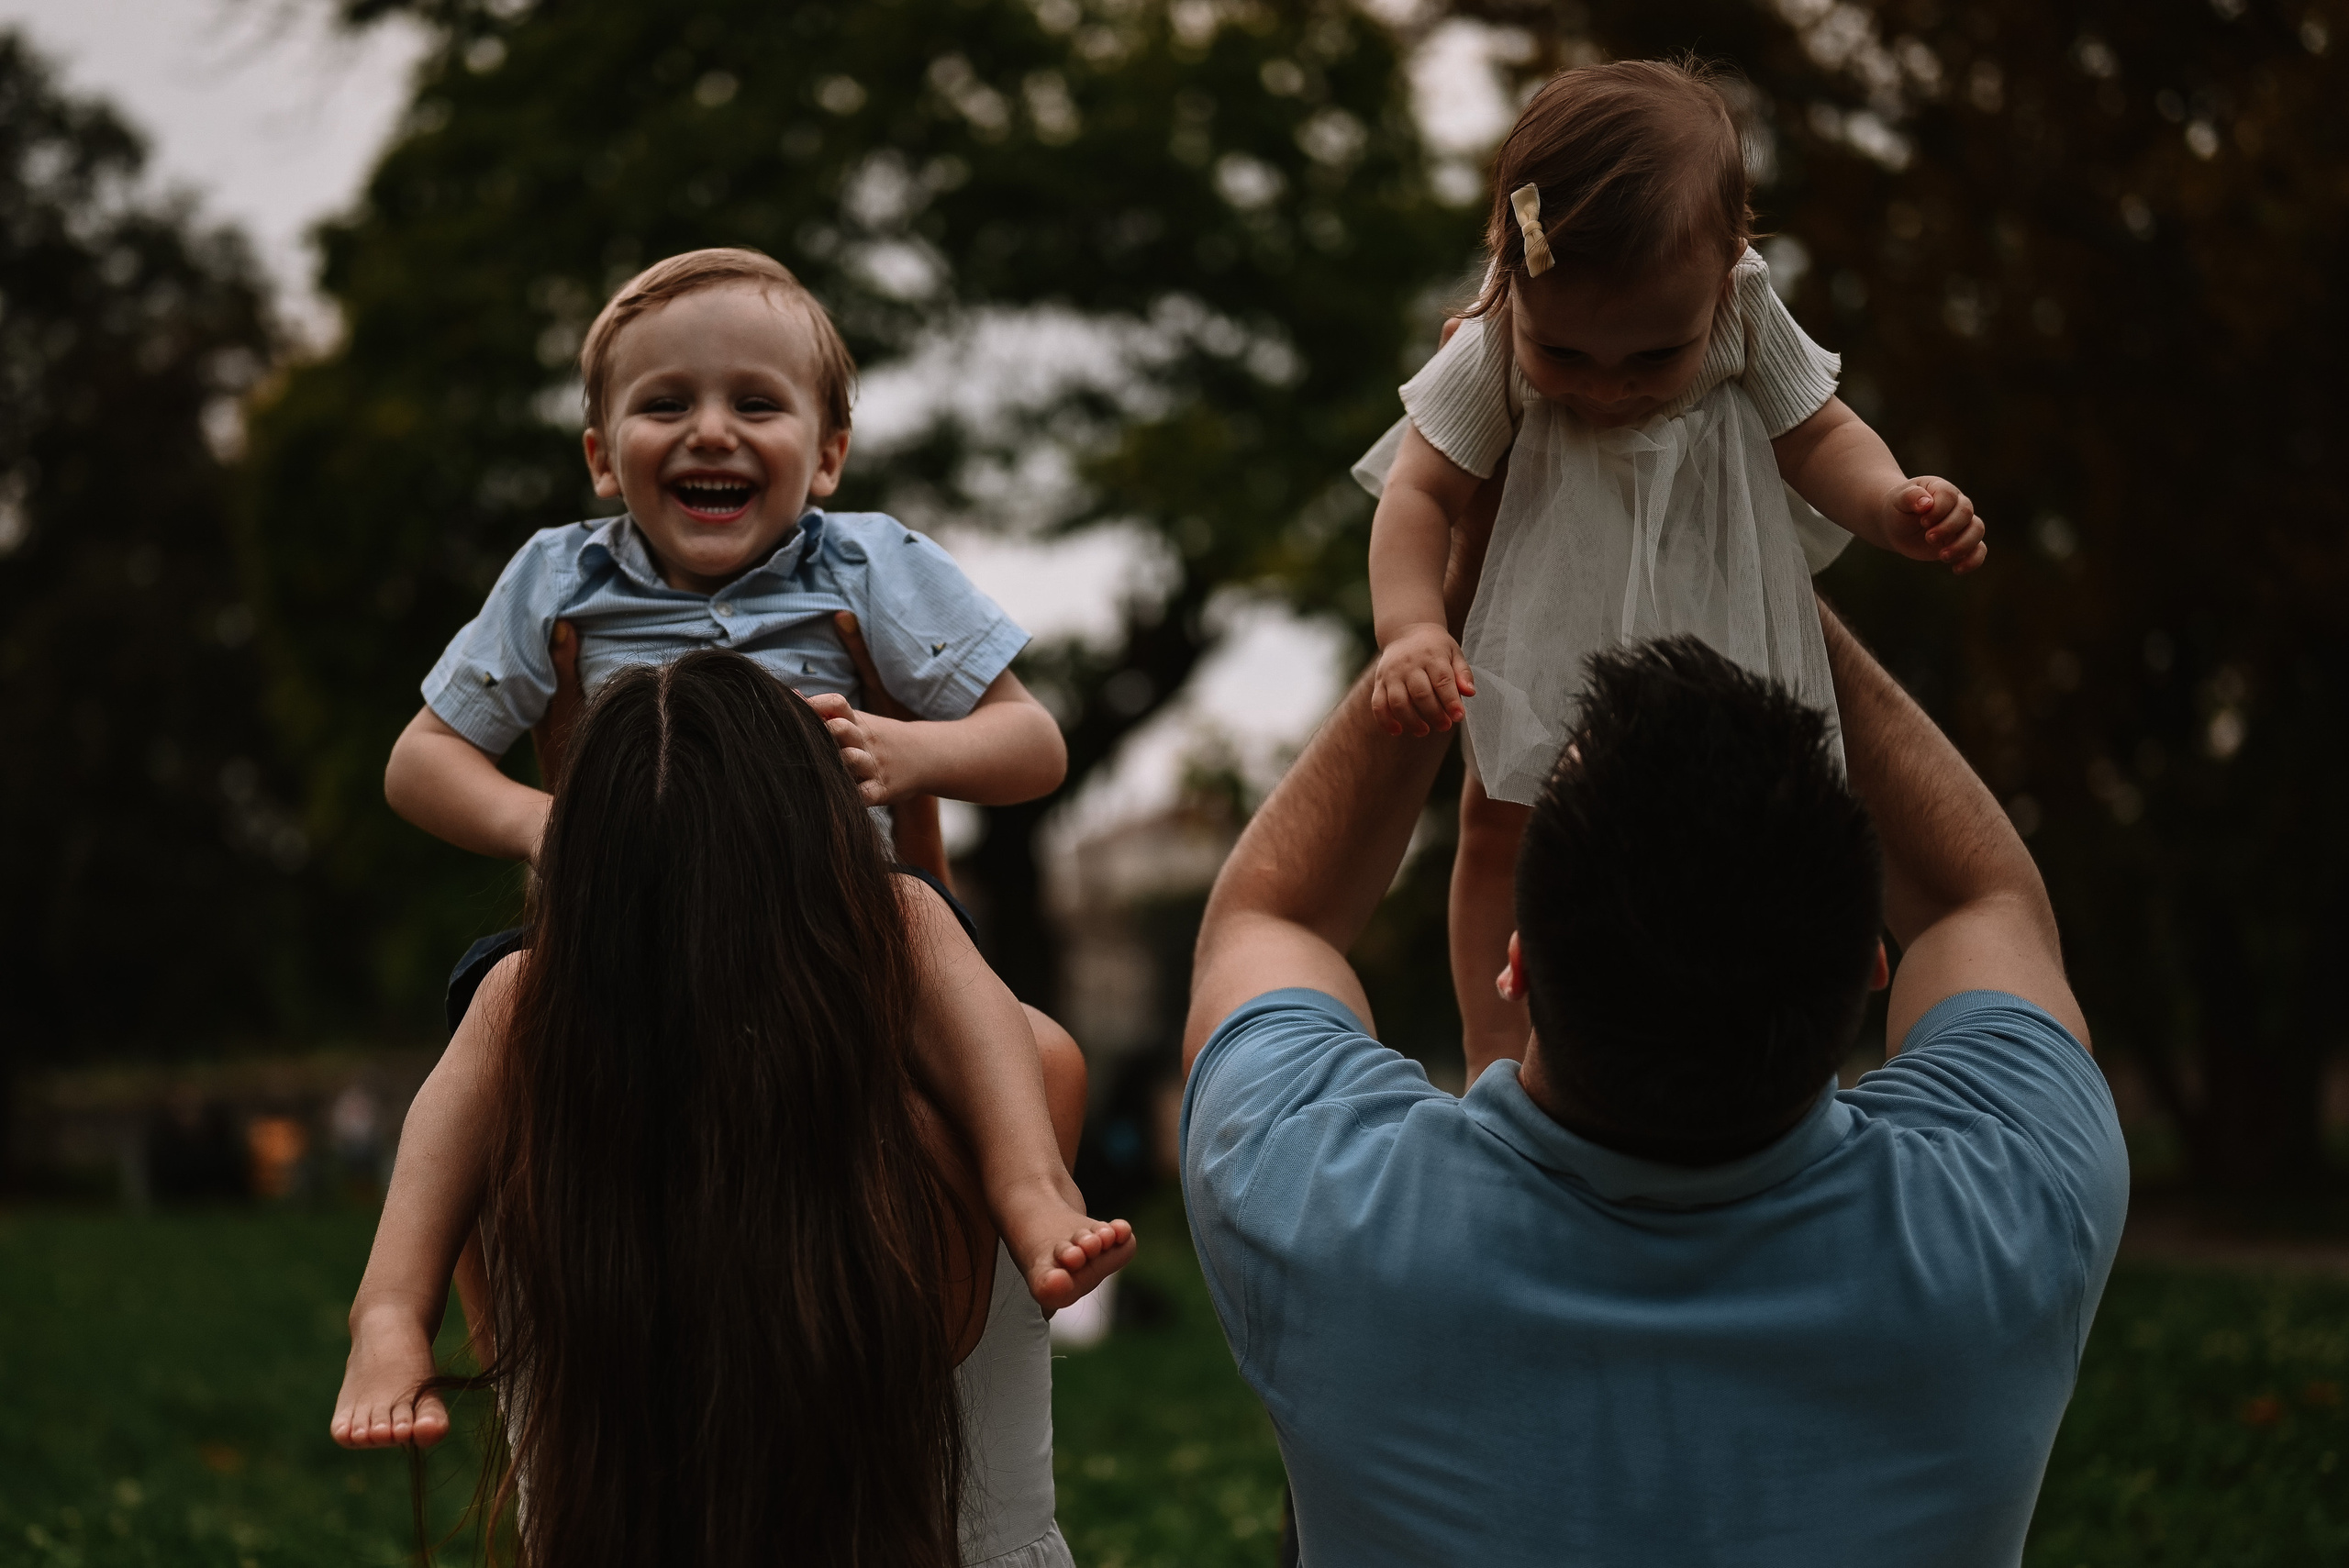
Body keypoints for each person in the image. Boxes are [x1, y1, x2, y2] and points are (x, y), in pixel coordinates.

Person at [1179, 600, 2128, 1565]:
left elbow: (1272, 917)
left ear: (1515, 964)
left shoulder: (1314, 1207)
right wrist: (1772, 570)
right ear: (1867, 970)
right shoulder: (2017, 1209)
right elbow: (1982, 896)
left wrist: (1443, 602)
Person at [380, 245, 1116, 1313]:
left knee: (936, 939)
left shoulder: (865, 565)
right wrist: (548, 824)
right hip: (617, 928)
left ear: (827, 456)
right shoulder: (559, 578)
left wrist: (910, 752)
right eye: (665, 401)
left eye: (756, 402)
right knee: (496, 1005)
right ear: (600, 454)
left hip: (830, 918)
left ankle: (1031, 1189)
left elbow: (1032, 744)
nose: (710, 429)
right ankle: (400, 1306)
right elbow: (418, 763)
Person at [337, 651, 1109, 1567]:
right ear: (827, 859)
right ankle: (1038, 1189)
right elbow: (953, 991)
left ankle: (384, 1316)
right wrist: (916, 849)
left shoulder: (515, 1114)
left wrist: (393, 1311)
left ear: (581, 884)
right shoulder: (1022, 1065)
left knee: (503, 997)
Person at [1354, 59, 1988, 1081]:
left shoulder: (1740, 306)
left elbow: (1818, 433)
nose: (1607, 388)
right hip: (1548, 618)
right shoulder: (1495, 341)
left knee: (1765, 836)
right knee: (1502, 823)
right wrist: (1412, 629)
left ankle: (1790, 1059)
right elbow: (1419, 494)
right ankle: (1491, 1050)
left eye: (1652, 358)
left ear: (1729, 259)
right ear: (1510, 274)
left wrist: (1891, 504)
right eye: (1565, 355)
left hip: (1717, 623)